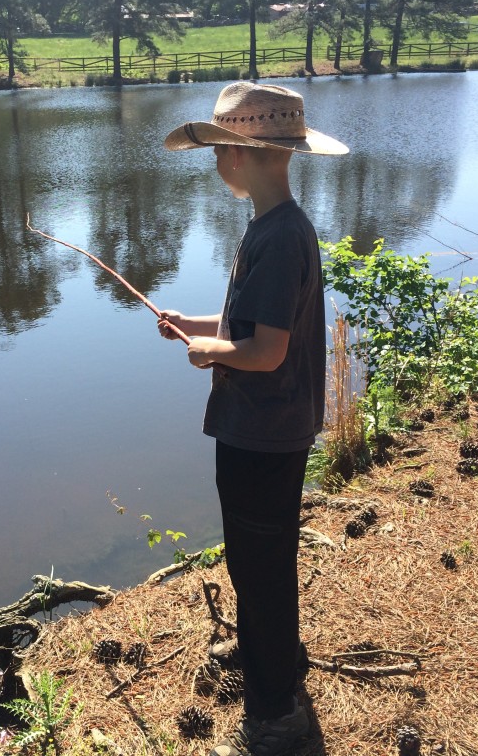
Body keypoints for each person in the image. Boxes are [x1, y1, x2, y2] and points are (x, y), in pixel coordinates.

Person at [157, 82, 348, 756]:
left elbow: (264, 351)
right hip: (262, 427)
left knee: (260, 565)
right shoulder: (276, 227)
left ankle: (275, 715)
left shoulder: (280, 237)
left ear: (243, 155)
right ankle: (275, 653)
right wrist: (196, 324)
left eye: (216, 150)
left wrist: (214, 352)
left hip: (262, 434)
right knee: (255, 557)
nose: (213, 163)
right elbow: (253, 326)